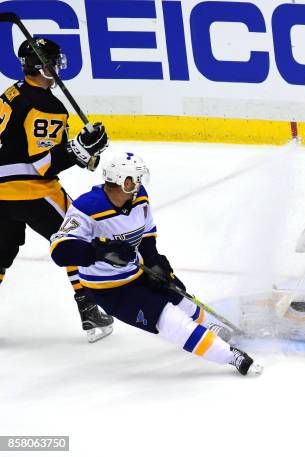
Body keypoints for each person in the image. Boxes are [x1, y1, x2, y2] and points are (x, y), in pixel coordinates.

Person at [49, 152, 262, 375]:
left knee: (179, 297)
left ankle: (210, 327)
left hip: (138, 270)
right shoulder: (87, 207)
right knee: (170, 320)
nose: (140, 184)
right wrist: (98, 251)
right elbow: (60, 251)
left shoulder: (139, 197)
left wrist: (154, 261)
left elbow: (147, 234)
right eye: (136, 179)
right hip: (109, 289)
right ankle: (230, 356)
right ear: (126, 181)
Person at [0, 37, 112, 341]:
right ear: (38, 66)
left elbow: (30, 146)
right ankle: (89, 310)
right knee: (76, 236)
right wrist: (77, 148)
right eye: (51, 62)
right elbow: (42, 165)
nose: (56, 68)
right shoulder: (47, 106)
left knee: (1, 252)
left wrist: (83, 152)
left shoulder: (14, 91)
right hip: (30, 189)